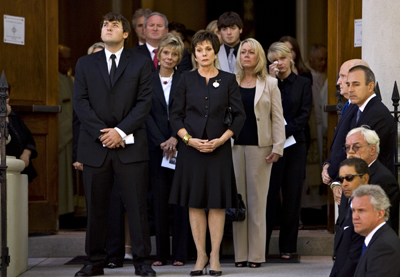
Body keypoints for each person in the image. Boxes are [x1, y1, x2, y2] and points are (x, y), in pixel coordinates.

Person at [73, 12, 155, 276]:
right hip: (95, 148)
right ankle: (94, 262)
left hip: (130, 146)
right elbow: (80, 104)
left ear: (126, 34)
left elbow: (145, 102)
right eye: (105, 25)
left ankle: (142, 263)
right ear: (101, 33)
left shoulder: (141, 63)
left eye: (115, 25)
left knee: (136, 206)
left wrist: (120, 131)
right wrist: (103, 134)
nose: (108, 28)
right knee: (96, 209)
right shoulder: (85, 63)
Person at [169, 30, 245, 276]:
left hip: (218, 150)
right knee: (195, 203)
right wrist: (189, 140)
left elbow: (239, 115)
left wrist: (221, 140)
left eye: (208, 50)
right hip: (191, 150)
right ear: (195, 53)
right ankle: (200, 255)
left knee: (217, 203)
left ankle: (215, 256)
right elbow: (175, 115)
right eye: (199, 50)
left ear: (215, 52)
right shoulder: (185, 79)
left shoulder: (228, 79)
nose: (203, 54)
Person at [232, 38, 285, 268]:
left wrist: (277, 148)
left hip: (261, 149)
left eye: (250, 52)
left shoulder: (270, 83)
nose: (246, 55)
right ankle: (240, 255)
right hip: (233, 147)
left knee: (257, 203)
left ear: (259, 56)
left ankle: (255, 256)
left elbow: (277, 118)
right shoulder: (229, 82)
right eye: (243, 52)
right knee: (238, 202)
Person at [145, 33, 190, 267]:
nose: (170, 57)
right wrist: (161, 142)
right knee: (159, 201)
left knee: (180, 202)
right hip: (156, 149)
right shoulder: (146, 80)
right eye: (166, 53)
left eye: (174, 54)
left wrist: (175, 137)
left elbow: (187, 112)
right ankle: (161, 254)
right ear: (158, 55)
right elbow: (145, 114)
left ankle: (180, 254)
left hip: (180, 147)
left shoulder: (185, 79)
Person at [266, 42, 312, 259]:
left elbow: (304, 116)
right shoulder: (266, 83)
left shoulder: (303, 83)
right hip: (271, 147)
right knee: (269, 196)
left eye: (282, 58)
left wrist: (282, 131)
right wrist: (271, 82)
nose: (279, 63)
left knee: (292, 196)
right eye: (274, 59)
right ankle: (261, 248)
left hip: (295, 144)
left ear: (290, 59)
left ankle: (288, 247)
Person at [321, 59, 369, 202]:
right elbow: (339, 143)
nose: (338, 82)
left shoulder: (359, 107)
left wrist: (331, 172)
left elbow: (350, 147)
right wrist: (327, 164)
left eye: (343, 76)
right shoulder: (349, 104)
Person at [344, 126, 399, 233]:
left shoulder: (384, 180)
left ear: (372, 149)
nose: (350, 152)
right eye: (347, 147)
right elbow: (343, 220)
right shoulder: (348, 176)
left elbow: (380, 227)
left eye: (356, 147)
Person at [347, 65, 396, 174]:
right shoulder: (358, 110)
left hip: (375, 184)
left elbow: (366, 155)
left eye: (356, 84)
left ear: (370, 86)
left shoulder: (378, 114)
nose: (350, 89)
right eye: (348, 84)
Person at [330, 158, 369, 277]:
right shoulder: (348, 202)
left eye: (349, 178)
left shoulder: (368, 211)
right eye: (341, 179)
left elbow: (355, 257)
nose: (344, 183)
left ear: (365, 179)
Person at [352, 185, 400, 277]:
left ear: (379, 213)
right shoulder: (377, 239)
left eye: (361, 210)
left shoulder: (384, 247)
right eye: (353, 210)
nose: (355, 216)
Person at [6, 86, 38, 183]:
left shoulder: (14, 116)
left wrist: (26, 155)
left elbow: (29, 139)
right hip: (6, 170)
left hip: (21, 168)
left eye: (6, 97)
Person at [58, 44, 75, 217]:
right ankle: (63, 212)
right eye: (62, 58)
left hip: (73, 134)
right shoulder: (52, 79)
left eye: (68, 58)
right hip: (62, 136)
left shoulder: (72, 80)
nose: (65, 62)